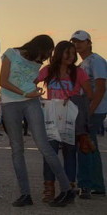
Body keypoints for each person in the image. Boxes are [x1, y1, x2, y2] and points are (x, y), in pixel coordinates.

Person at [0, 35, 74, 207]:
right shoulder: (11, 53)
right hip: (11, 104)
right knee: (17, 149)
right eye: (46, 53)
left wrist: (34, 92)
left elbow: (31, 80)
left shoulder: (38, 62)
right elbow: (3, 81)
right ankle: (25, 194)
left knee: (44, 146)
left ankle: (67, 190)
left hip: (32, 101)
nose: (46, 57)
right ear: (38, 47)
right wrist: (25, 93)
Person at [36, 40, 93, 202]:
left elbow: (89, 94)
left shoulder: (79, 72)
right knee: (50, 154)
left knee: (70, 154)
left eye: (73, 53)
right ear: (58, 53)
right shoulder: (48, 70)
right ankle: (49, 188)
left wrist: (74, 99)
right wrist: (37, 95)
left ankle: (68, 188)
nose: (71, 56)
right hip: (51, 119)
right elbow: (32, 83)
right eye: (67, 52)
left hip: (70, 119)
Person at [71, 30, 107, 199]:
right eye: (75, 42)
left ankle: (85, 184)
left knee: (84, 145)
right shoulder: (83, 63)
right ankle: (97, 185)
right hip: (87, 109)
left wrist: (90, 112)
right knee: (91, 146)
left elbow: (100, 88)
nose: (77, 44)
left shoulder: (96, 61)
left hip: (95, 109)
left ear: (89, 43)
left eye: (81, 41)